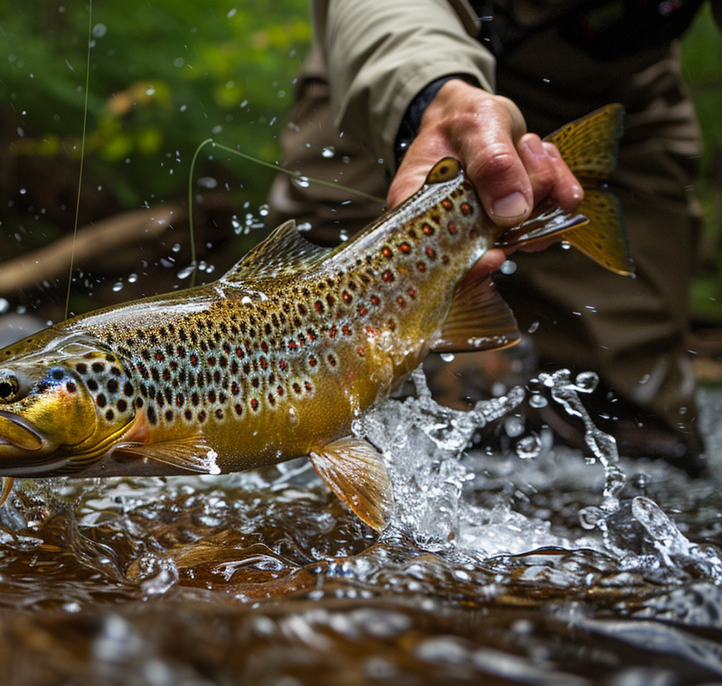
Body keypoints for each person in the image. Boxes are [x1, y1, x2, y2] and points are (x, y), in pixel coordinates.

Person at [268, 0, 721, 474]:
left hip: (607, 79)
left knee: (624, 429)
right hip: (384, 72)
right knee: (314, 379)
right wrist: (430, 97)